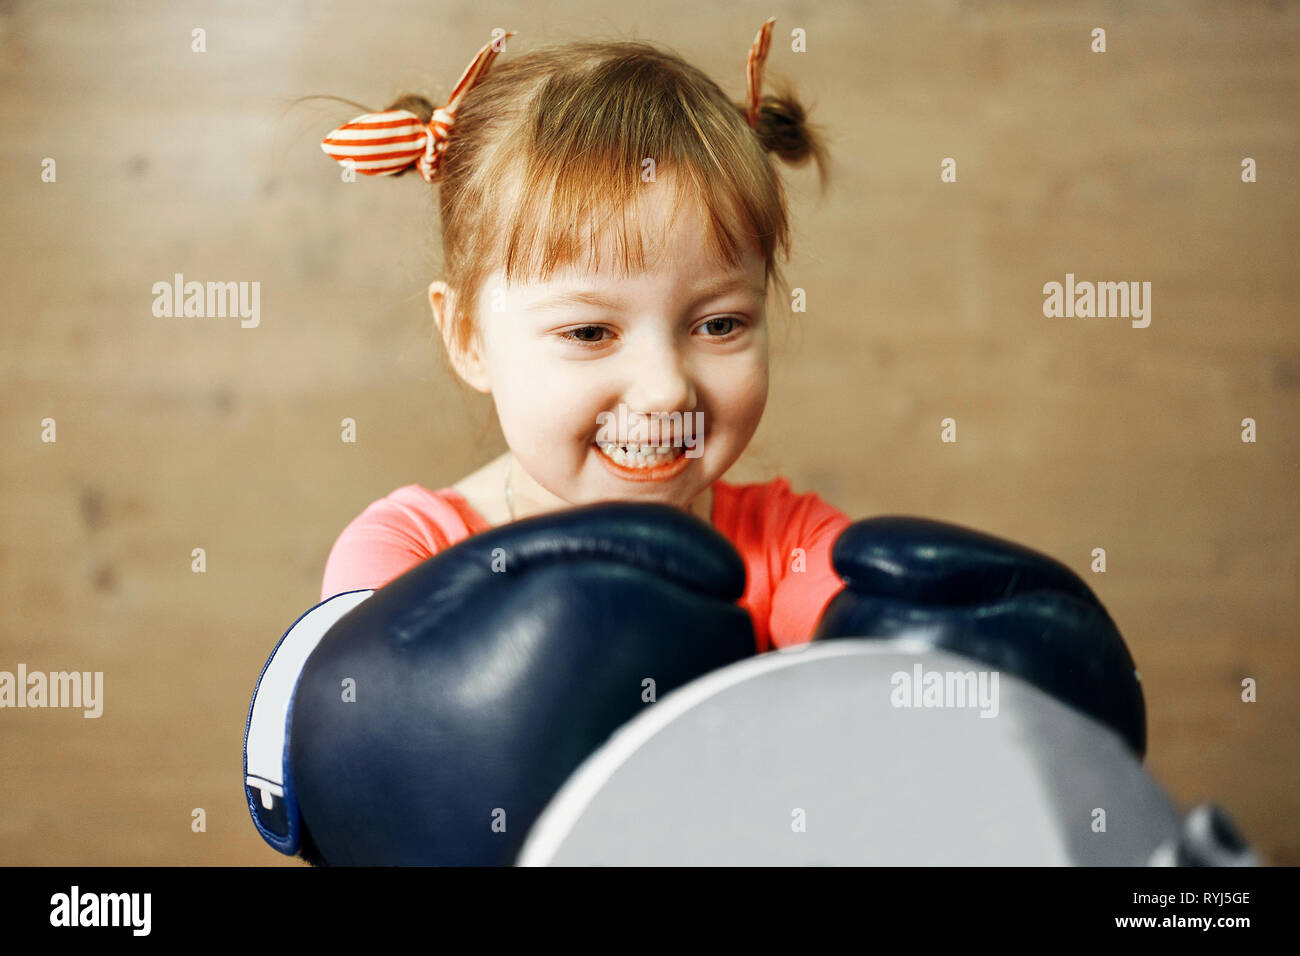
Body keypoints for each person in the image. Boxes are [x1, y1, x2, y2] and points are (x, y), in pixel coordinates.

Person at [316, 20, 844, 653]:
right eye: (590, 331)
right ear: (468, 337)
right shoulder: (405, 557)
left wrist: (910, 639)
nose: (665, 390)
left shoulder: (793, 548)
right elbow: (353, 727)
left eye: (719, 324)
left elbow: (875, 678)